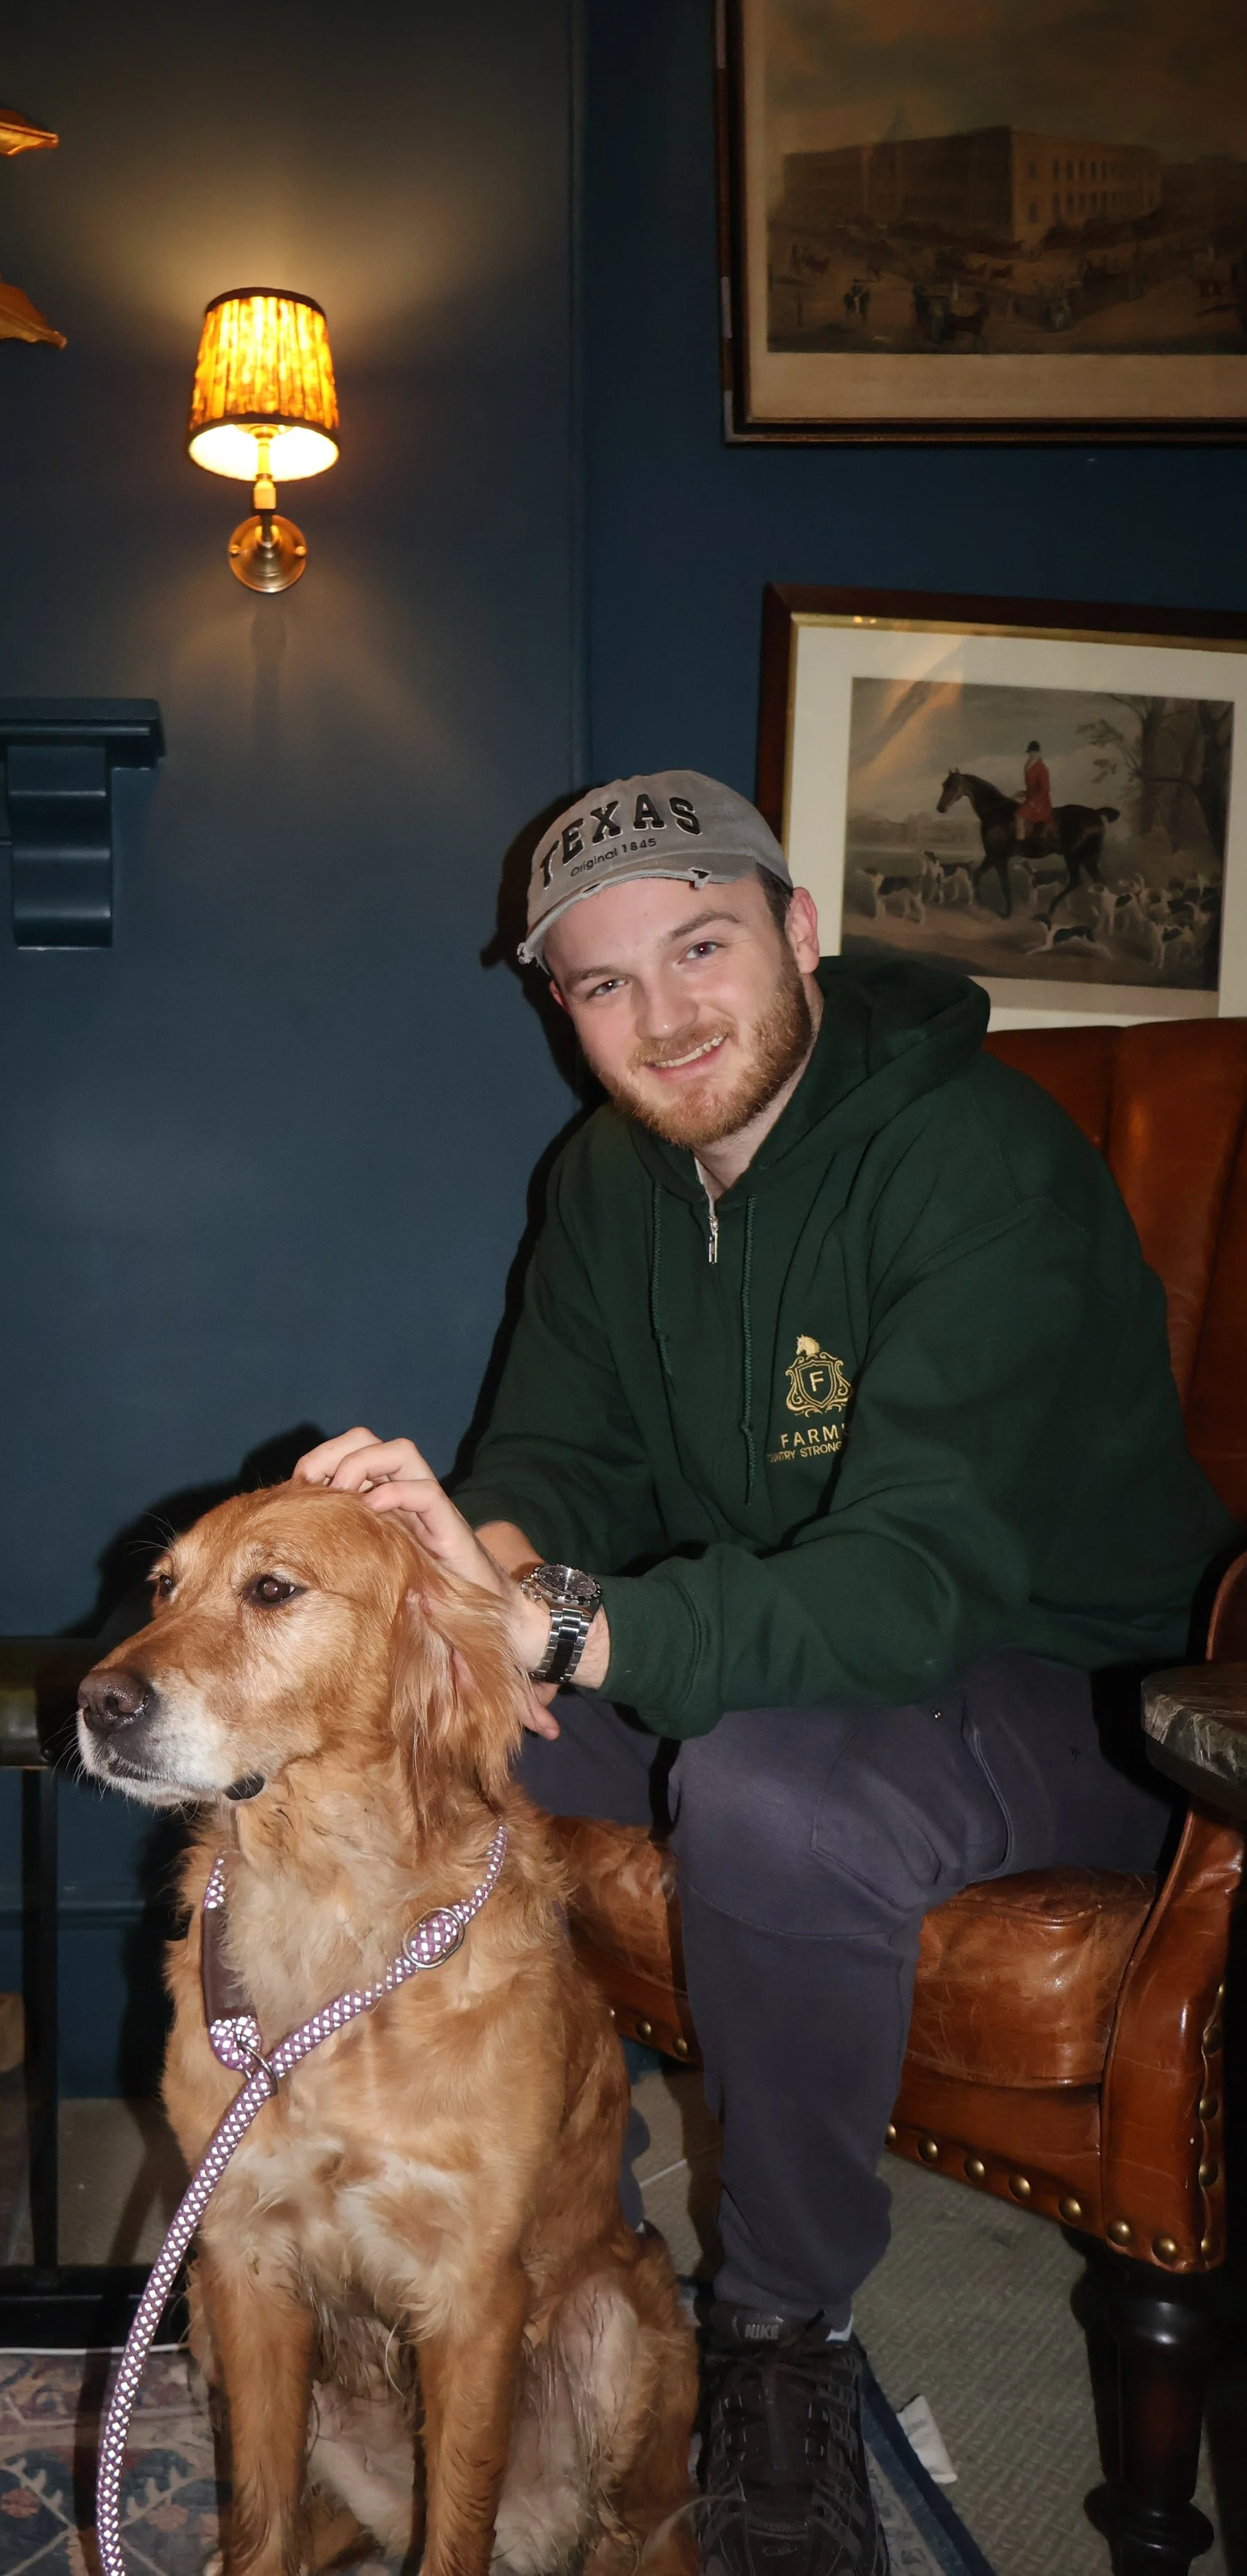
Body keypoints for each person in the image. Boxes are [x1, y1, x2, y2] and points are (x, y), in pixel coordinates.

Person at [295, 769, 1231, 2576]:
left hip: (1086, 1693)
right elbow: (558, 1464)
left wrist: (571, 1622)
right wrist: (464, 1581)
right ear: (554, 1010)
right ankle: (479, 2236)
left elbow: (905, 1583)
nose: (663, 1016)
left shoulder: (975, 1158)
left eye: (700, 946)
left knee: (768, 1786)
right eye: (601, 984)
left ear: (799, 931)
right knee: (399, 1735)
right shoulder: (603, 1178)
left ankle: (776, 2336)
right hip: (778, 1648)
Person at [1015, 738, 1053, 846]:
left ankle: (1020, 848)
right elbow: (1032, 789)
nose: (1032, 754)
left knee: (1019, 817)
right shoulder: (1029, 765)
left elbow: (1045, 790)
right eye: (1030, 752)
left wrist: (1034, 802)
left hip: (1041, 803)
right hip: (1031, 799)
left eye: (1034, 752)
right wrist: (1023, 793)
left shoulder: (1041, 768)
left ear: (1038, 753)